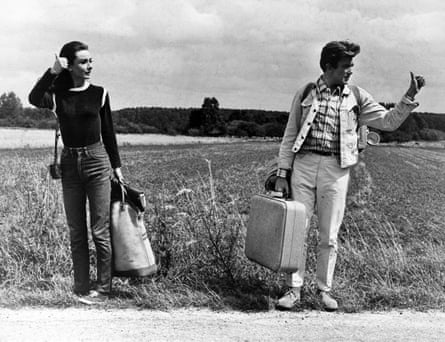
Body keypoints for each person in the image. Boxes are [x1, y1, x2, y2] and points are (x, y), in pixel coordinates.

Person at [274, 40, 425, 311]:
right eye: (346, 66)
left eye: (351, 65)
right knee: (298, 230)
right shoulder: (306, 92)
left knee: (329, 234)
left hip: (336, 170)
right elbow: (289, 136)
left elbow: (388, 122)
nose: (350, 71)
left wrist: (408, 96)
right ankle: (293, 290)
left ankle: (324, 291)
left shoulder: (356, 95)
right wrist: (282, 173)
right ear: (329, 67)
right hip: (304, 167)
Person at [29, 41, 124, 305]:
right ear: (70, 65)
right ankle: (81, 287)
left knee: (100, 229)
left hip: (96, 161)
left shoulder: (100, 93)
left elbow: (108, 133)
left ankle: (103, 289)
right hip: (69, 164)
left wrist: (117, 168)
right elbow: (34, 98)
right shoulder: (59, 96)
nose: (89, 65)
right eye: (83, 61)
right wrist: (52, 71)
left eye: (91, 60)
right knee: (76, 230)